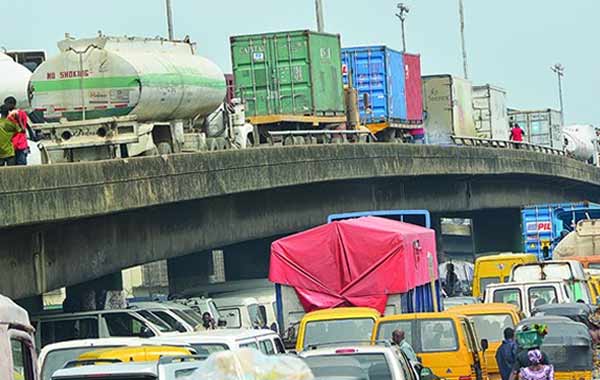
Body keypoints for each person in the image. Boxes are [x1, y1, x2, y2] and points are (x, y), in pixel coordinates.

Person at [3, 96, 36, 165]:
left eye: (6, 104)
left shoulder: (21, 113)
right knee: (12, 167)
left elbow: (23, 129)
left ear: (12, 104)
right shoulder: (7, 115)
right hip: (11, 146)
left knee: (21, 164)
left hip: (20, 145)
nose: (5, 106)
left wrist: (18, 119)